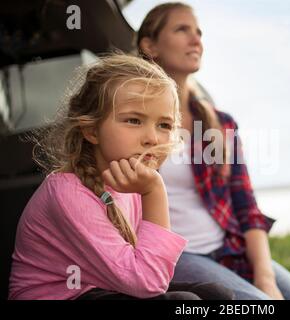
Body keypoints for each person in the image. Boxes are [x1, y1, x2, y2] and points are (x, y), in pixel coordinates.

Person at [8, 54, 233, 300]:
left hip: (103, 288)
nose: (152, 138)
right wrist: (154, 192)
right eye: (134, 120)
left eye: (164, 125)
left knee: (217, 294)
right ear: (92, 130)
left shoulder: (132, 185)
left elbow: (145, 272)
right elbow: (147, 283)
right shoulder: (68, 193)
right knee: (184, 302)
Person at [137, 2, 290, 300]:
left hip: (229, 249)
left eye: (199, 32)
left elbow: (246, 205)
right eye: (182, 30)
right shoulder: (130, 118)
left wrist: (265, 276)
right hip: (177, 256)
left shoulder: (221, 123)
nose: (197, 40)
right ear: (150, 46)